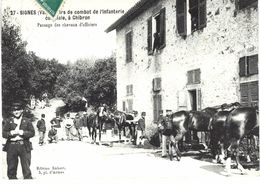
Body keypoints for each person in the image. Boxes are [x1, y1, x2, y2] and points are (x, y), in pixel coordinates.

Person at [2, 102, 35, 179]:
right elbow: (3, 133)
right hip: (11, 146)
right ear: (12, 112)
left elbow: (32, 133)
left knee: (26, 168)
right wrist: (10, 133)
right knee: (11, 169)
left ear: (22, 110)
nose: (16, 112)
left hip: (24, 145)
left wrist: (23, 132)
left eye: (18, 110)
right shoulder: (8, 121)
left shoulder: (27, 121)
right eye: (14, 110)